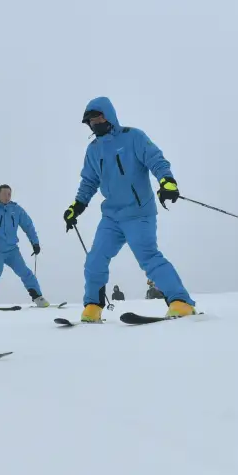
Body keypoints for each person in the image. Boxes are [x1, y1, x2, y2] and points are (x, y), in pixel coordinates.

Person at [63, 96, 196, 323]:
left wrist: (167, 181)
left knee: (148, 258)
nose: (96, 122)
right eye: (91, 120)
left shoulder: (133, 137)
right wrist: (77, 206)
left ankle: (180, 302)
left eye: (99, 116)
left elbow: (156, 160)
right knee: (95, 260)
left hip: (139, 213)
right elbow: (88, 181)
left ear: (109, 115)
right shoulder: (93, 150)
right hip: (111, 217)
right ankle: (93, 307)